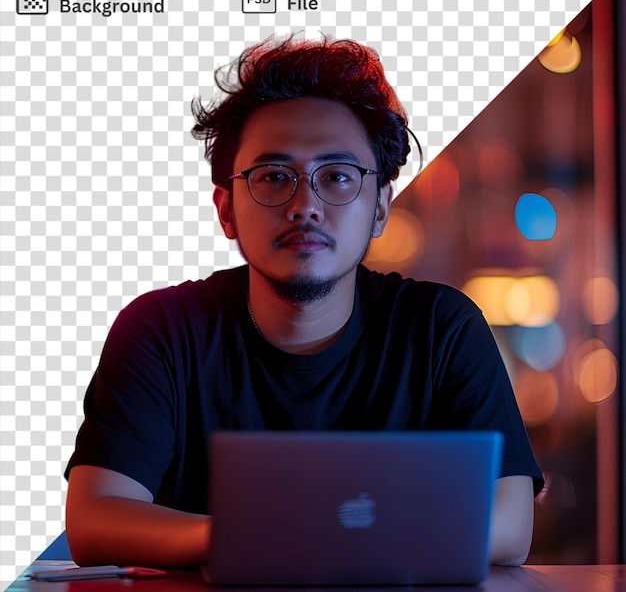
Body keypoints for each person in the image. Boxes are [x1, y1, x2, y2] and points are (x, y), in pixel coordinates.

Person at [64, 34, 544, 569]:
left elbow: (509, 522)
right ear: (226, 208)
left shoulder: (440, 327)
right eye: (274, 177)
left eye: (337, 177)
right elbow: (95, 520)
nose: (305, 206)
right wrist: (279, 537)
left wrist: (269, 538)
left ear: (381, 206)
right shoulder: (161, 329)